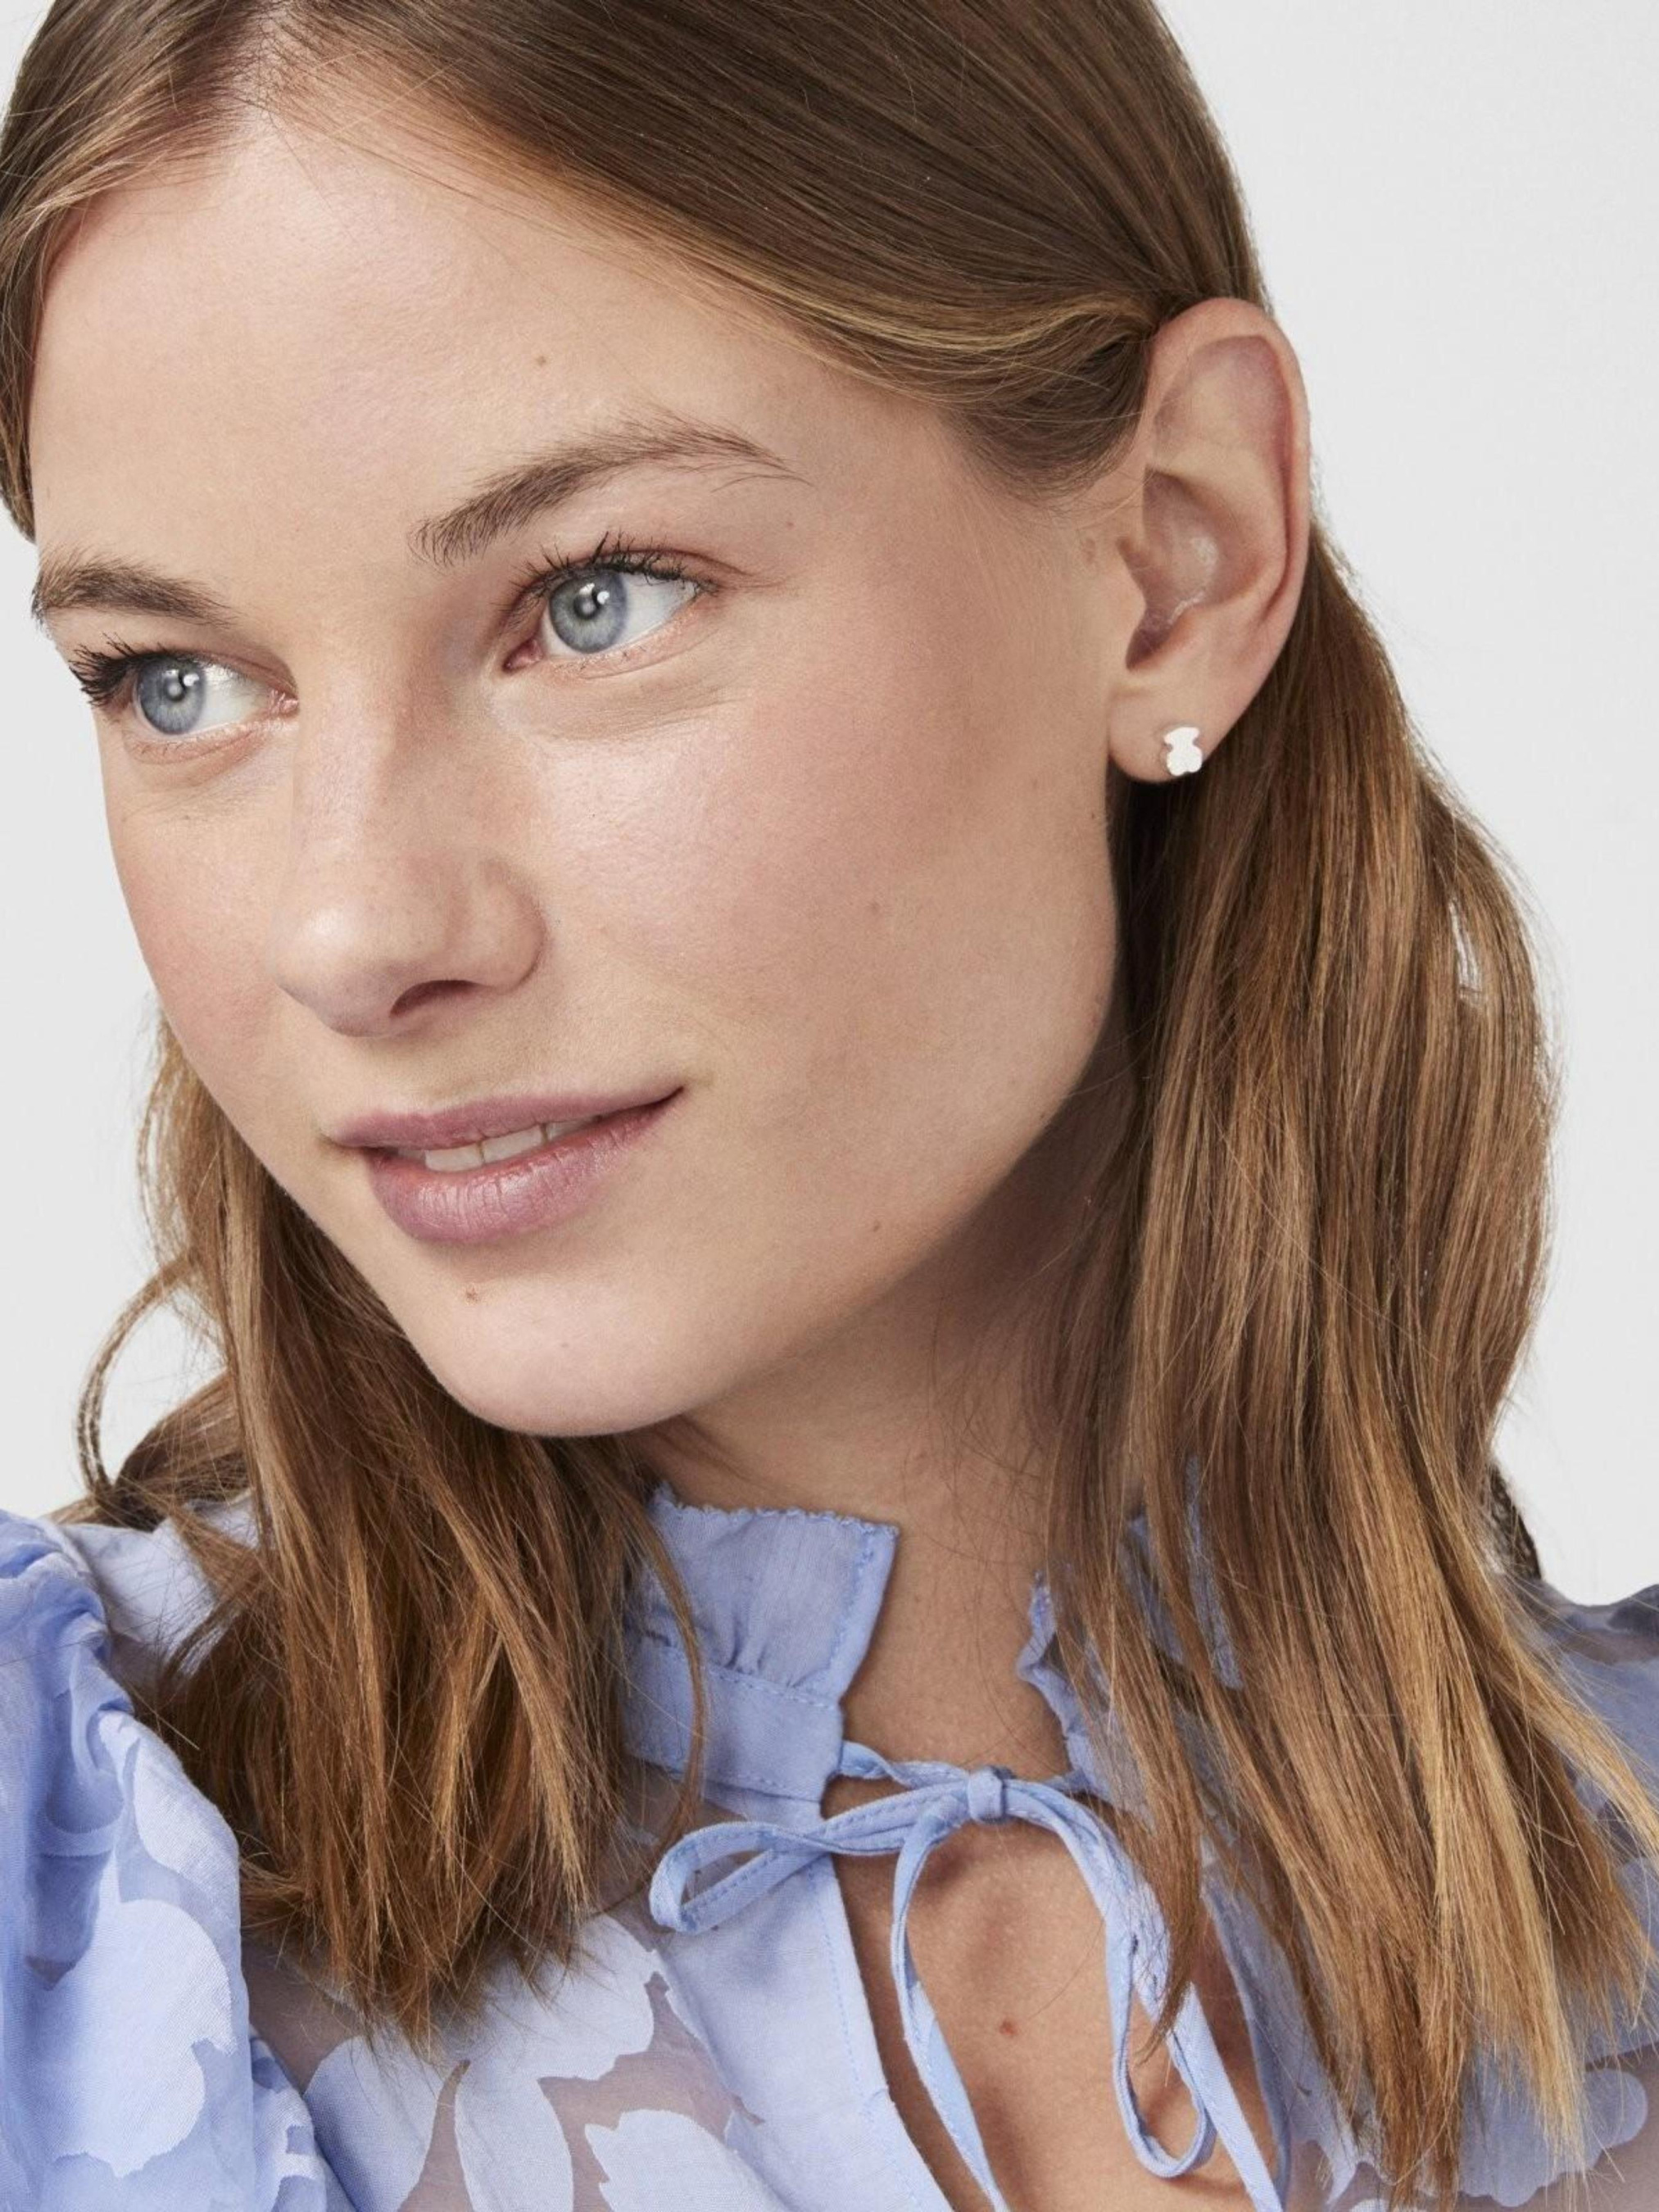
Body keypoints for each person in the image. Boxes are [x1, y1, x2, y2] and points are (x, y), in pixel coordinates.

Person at [1, 2, 1656, 2207]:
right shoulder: (55, 1887)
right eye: (175, 681)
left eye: (595, 601)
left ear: (1178, 553)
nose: (350, 928)